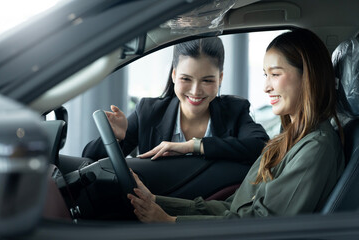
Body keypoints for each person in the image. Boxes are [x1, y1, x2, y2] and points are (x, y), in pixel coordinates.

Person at [126, 28, 345, 222]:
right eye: (265, 75)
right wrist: (156, 202)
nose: (266, 87)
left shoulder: (316, 148)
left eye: (275, 74)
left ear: (308, 78)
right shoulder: (288, 139)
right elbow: (233, 209)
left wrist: (170, 222)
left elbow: (263, 224)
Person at [82, 37, 269, 162]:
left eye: (207, 80)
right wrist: (115, 138)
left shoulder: (235, 110)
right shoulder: (149, 111)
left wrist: (194, 146)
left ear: (220, 78)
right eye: (186, 79)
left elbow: (261, 146)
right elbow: (89, 159)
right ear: (173, 75)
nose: (196, 91)